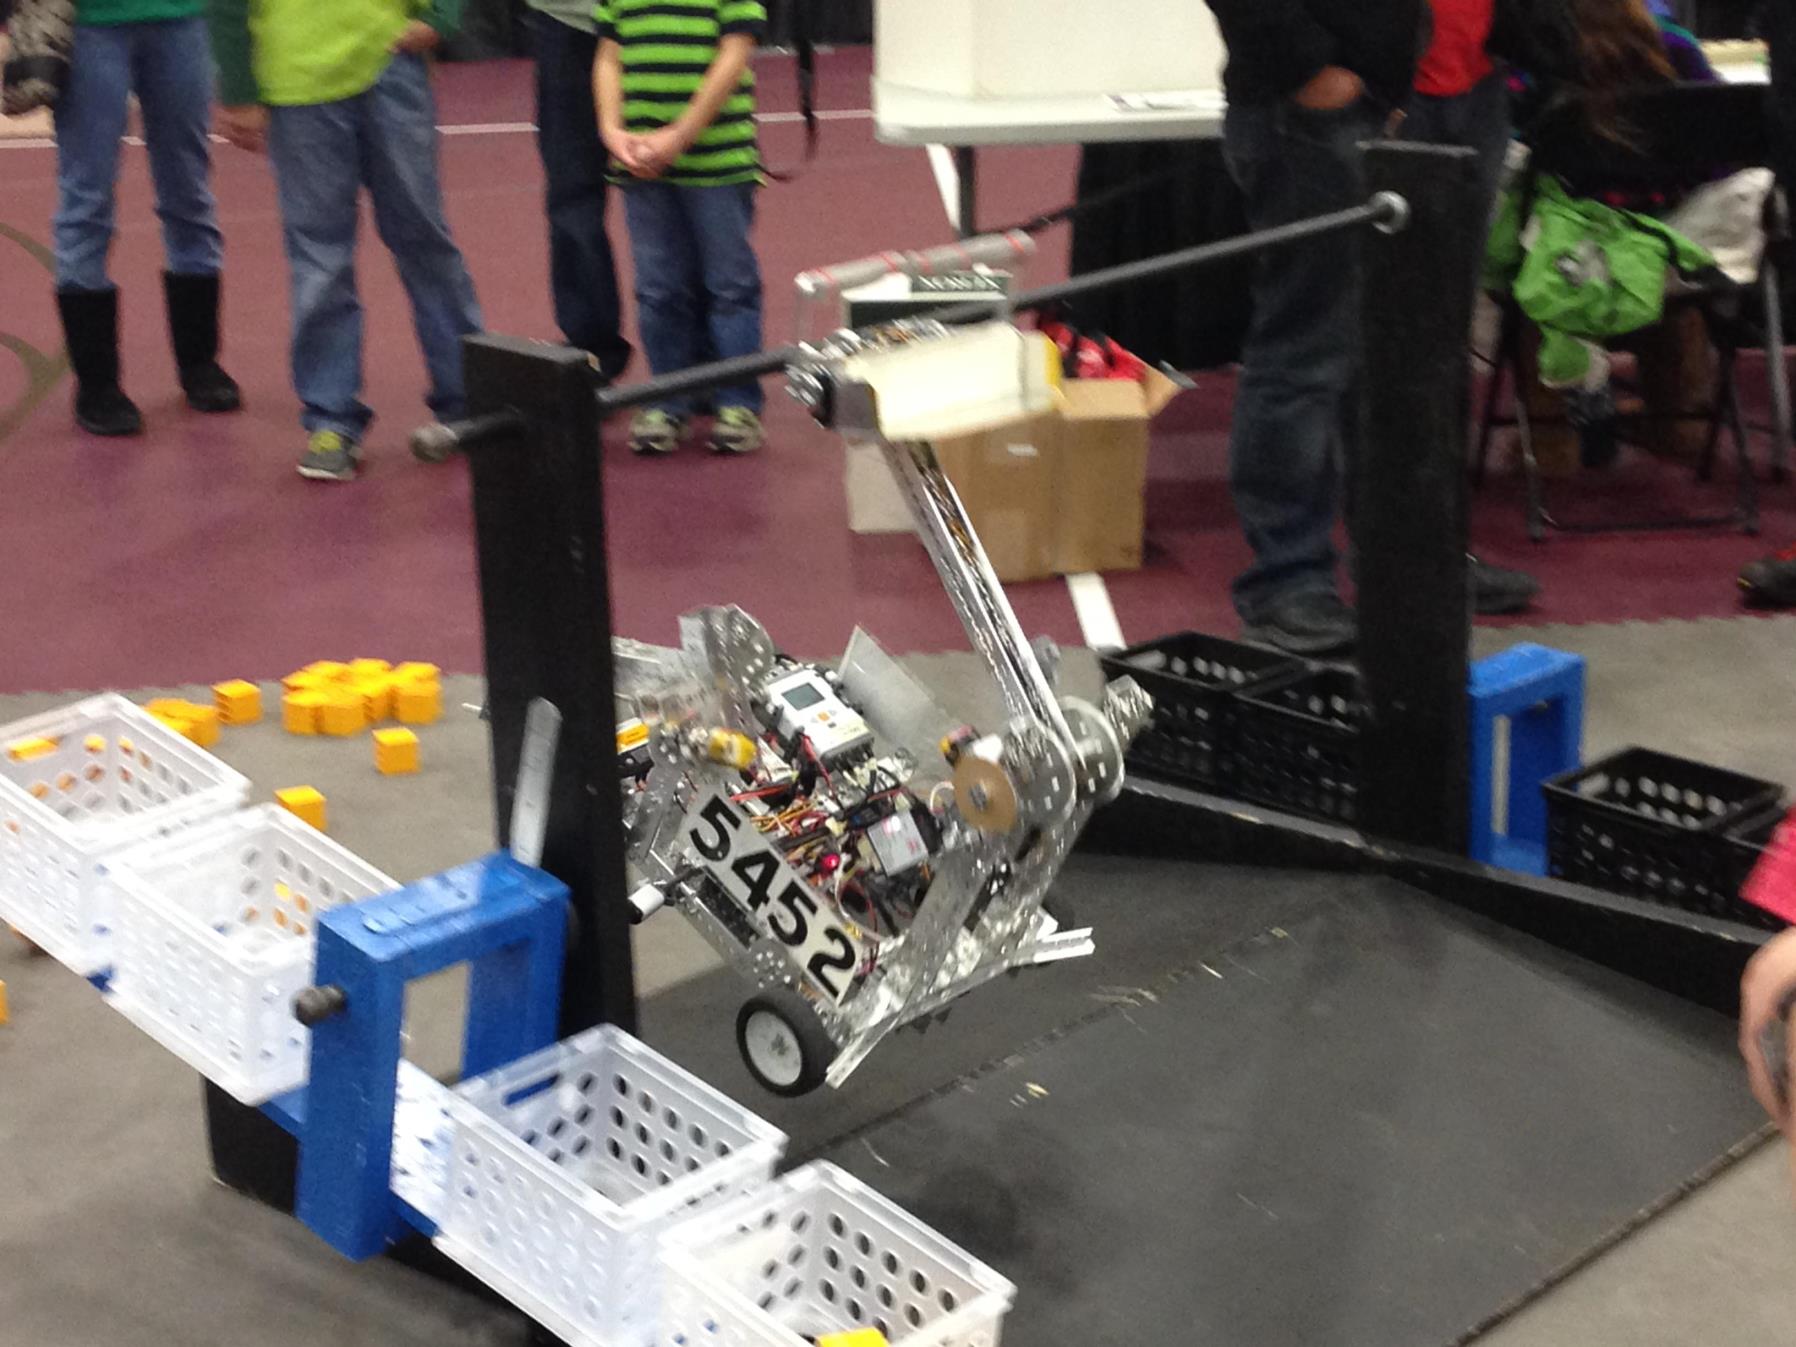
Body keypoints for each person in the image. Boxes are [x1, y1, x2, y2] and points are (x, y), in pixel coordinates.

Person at [1203, 0, 1425, 655]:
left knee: (1374, 353)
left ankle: (1391, 565)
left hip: (1361, 102)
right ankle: (1286, 582)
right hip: (1309, 110)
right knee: (1304, 353)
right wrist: (1311, 69)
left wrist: (1385, 82)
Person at [208, 0, 483, 482]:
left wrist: (442, 16)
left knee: (426, 241)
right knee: (320, 259)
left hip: (390, 67)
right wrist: (238, 90)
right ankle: (331, 419)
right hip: (298, 83)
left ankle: (468, 398)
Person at [48, 0, 240, 437]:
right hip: (86, 23)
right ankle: (97, 384)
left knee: (189, 192)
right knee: (87, 199)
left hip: (181, 17)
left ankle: (200, 362)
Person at [595, 0, 767, 457]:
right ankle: (666, 402)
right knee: (659, 290)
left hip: (718, 164)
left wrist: (679, 135)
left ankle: (738, 404)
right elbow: (608, 57)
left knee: (730, 287)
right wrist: (611, 131)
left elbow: (735, 54)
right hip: (642, 166)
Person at [524, 0, 630, 381]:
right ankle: (590, 354)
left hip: (665, 19)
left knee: (680, 188)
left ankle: (706, 363)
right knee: (572, 200)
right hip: (569, 22)